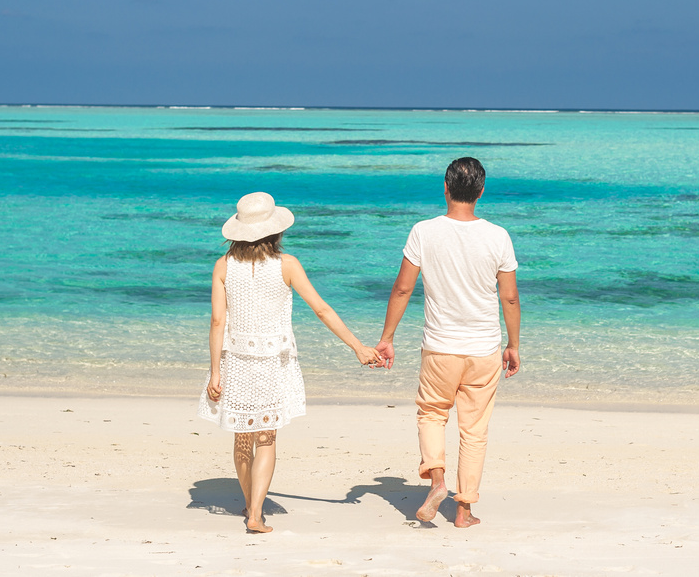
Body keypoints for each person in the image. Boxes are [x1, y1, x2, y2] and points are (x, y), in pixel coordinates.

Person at [198, 192, 382, 534]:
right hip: (272, 363)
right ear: (275, 230)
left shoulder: (223, 266)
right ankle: (255, 512)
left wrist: (214, 371)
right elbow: (322, 309)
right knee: (266, 437)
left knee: (242, 438)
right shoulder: (287, 265)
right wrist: (357, 346)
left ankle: (250, 504)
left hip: (235, 361)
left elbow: (217, 322)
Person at [374, 157, 521, 529]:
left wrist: (387, 338)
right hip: (484, 349)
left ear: (445, 187)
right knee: (474, 430)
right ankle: (464, 510)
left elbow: (403, 287)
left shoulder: (424, 231)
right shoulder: (498, 236)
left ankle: (438, 481)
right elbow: (509, 298)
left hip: (440, 347)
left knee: (432, 414)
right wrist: (513, 344)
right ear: (481, 192)